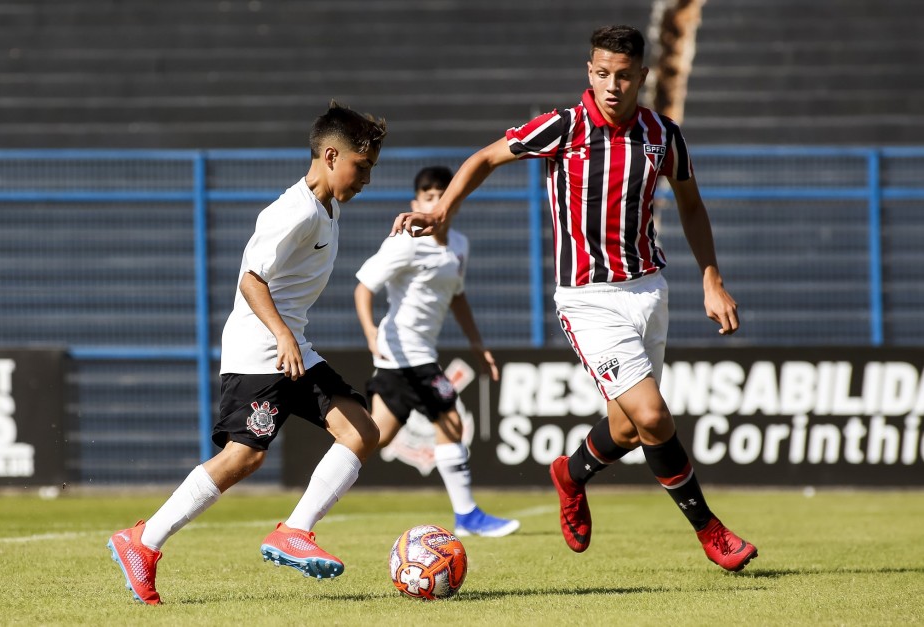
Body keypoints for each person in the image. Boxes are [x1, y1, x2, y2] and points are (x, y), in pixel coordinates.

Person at [391, 25, 757, 572]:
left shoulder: (663, 134)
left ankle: (571, 473)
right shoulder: (565, 126)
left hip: (649, 291)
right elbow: (487, 157)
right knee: (654, 416)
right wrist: (443, 210)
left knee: (630, 427)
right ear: (590, 71)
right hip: (588, 298)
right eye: (602, 73)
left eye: (624, 75)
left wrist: (711, 277)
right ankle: (711, 531)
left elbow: (692, 205)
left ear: (643, 77)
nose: (612, 85)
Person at [107, 101, 388, 604]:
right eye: (361, 166)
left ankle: (294, 530)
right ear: (329, 155)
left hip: (291, 347)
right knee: (243, 457)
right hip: (261, 351)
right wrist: (281, 334)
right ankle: (141, 542)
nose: (366, 178)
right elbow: (250, 279)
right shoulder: (294, 210)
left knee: (362, 429)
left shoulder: (328, 205)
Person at [354, 166, 520, 538]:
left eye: (440, 196)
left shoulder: (459, 245)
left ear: (452, 201)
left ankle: (307, 507)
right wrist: (369, 332)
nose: (433, 202)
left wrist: (477, 344)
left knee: (370, 437)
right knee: (451, 421)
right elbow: (364, 287)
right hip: (404, 354)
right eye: (426, 197)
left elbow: (456, 295)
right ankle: (468, 516)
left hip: (417, 356)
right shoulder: (406, 242)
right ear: (416, 203)